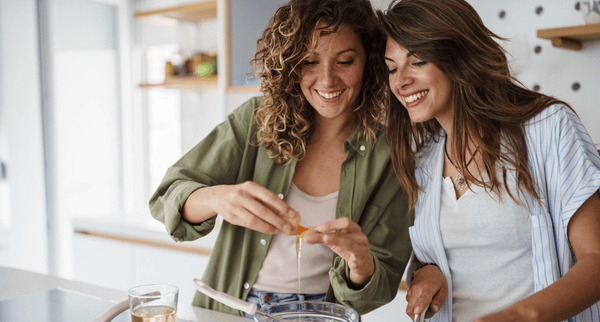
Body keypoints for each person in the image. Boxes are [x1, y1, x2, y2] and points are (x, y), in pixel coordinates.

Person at [149, 0, 413, 318]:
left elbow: (379, 287)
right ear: (290, 64)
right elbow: (167, 196)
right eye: (309, 62)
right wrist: (218, 198)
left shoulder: (389, 154)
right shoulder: (256, 121)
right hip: (231, 308)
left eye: (344, 61)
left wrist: (361, 265)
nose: (327, 80)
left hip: (321, 312)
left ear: (369, 62)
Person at [377, 0, 600, 321]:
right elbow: (437, 259)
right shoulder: (423, 162)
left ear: (459, 54)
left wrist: (519, 316)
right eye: (392, 68)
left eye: (418, 61)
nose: (400, 81)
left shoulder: (549, 127)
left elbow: (595, 260)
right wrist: (425, 273)